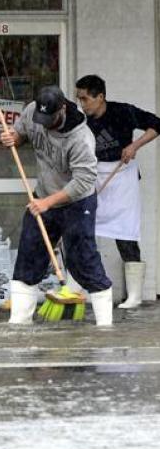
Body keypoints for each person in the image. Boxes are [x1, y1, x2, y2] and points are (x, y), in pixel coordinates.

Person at [0, 85, 113, 325]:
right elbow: (21, 133)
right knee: (28, 256)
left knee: (82, 259)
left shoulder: (81, 137)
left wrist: (47, 203)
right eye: (42, 118)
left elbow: (83, 182)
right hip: (42, 195)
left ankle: (105, 326)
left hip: (77, 202)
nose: (44, 123)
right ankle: (18, 323)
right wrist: (13, 137)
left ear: (62, 109)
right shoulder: (34, 112)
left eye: (49, 119)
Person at [75, 74, 160, 308]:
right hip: (94, 175)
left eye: (85, 99)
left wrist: (134, 146)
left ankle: (134, 295)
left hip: (123, 175)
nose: (82, 105)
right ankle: (83, 286)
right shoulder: (80, 121)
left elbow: (157, 125)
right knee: (84, 228)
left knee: (126, 232)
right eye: (79, 99)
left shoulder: (123, 111)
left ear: (100, 97)